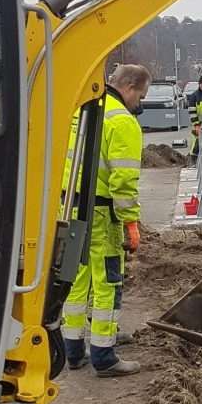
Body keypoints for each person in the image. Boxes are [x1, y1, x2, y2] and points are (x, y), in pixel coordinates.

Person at [61, 64, 150, 377]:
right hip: (101, 214)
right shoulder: (122, 122)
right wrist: (131, 223)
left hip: (70, 208)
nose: (139, 102)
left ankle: (71, 351)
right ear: (128, 86)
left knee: (76, 281)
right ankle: (103, 354)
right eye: (140, 95)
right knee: (108, 282)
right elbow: (123, 181)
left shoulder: (83, 110)